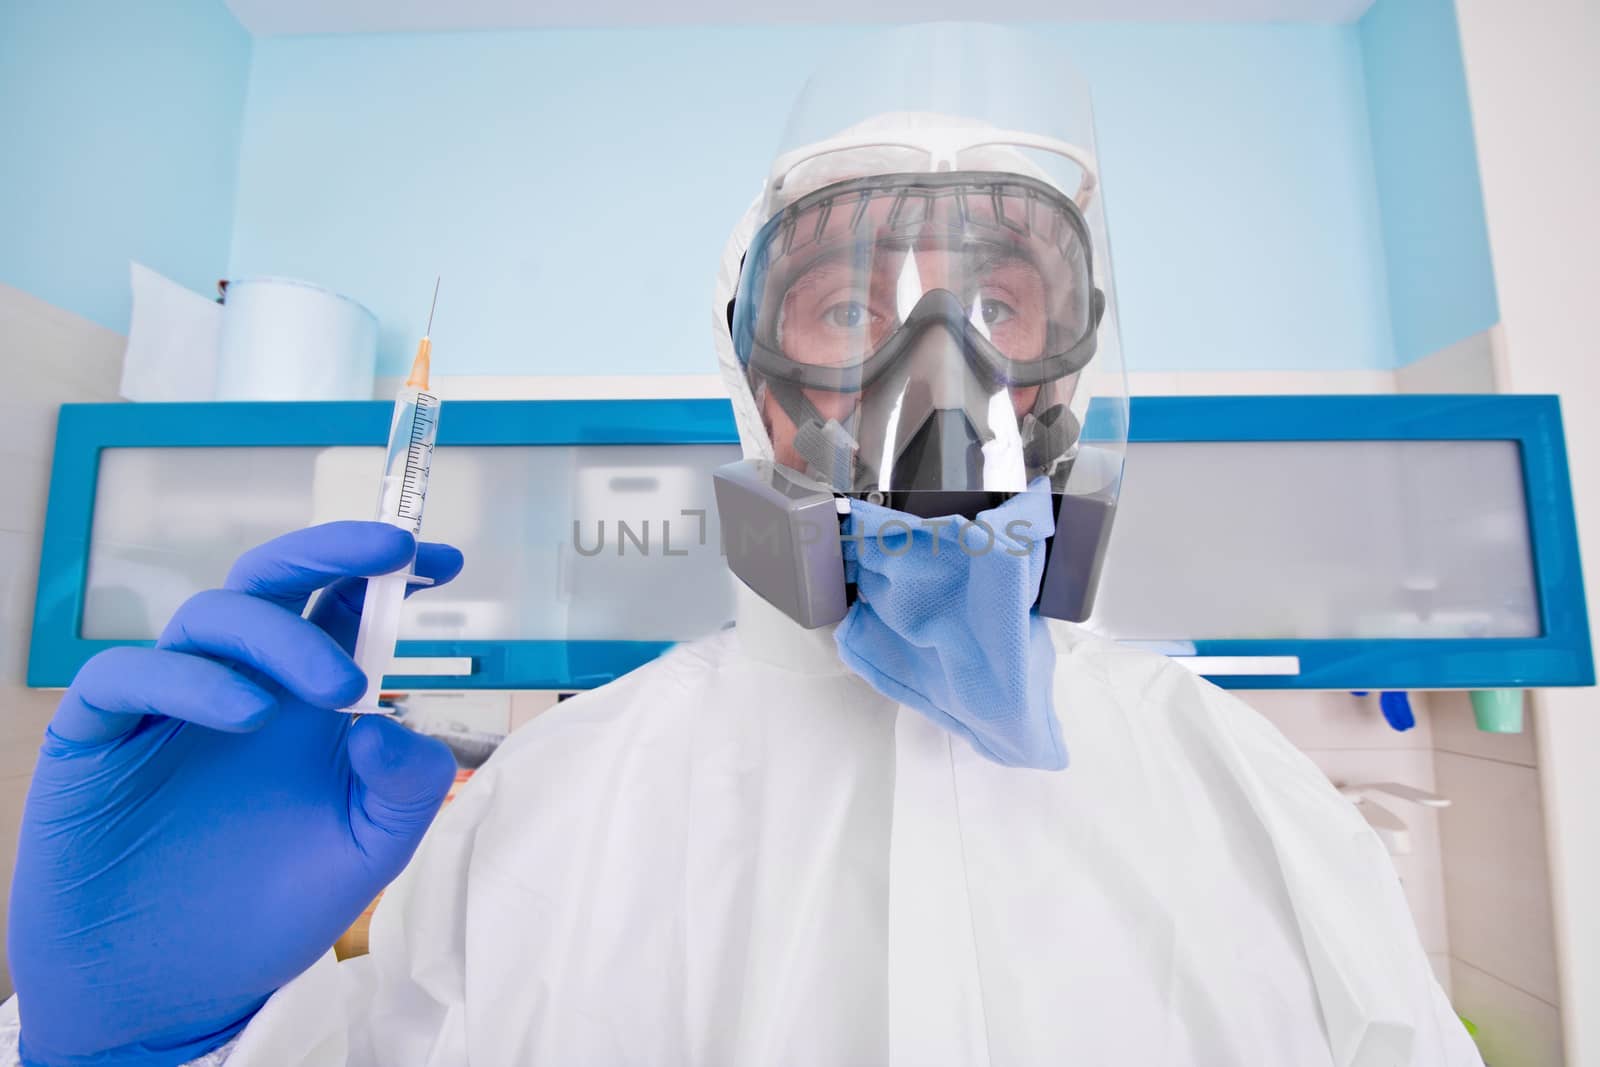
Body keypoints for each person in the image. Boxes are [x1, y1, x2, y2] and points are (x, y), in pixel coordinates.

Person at [3, 25, 1481, 1067]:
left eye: (1001, 310)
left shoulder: (1259, 812)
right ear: (757, 384)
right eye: (849, 310)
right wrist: (133, 1050)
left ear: (1069, 371)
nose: (937, 366)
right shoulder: (549, 813)